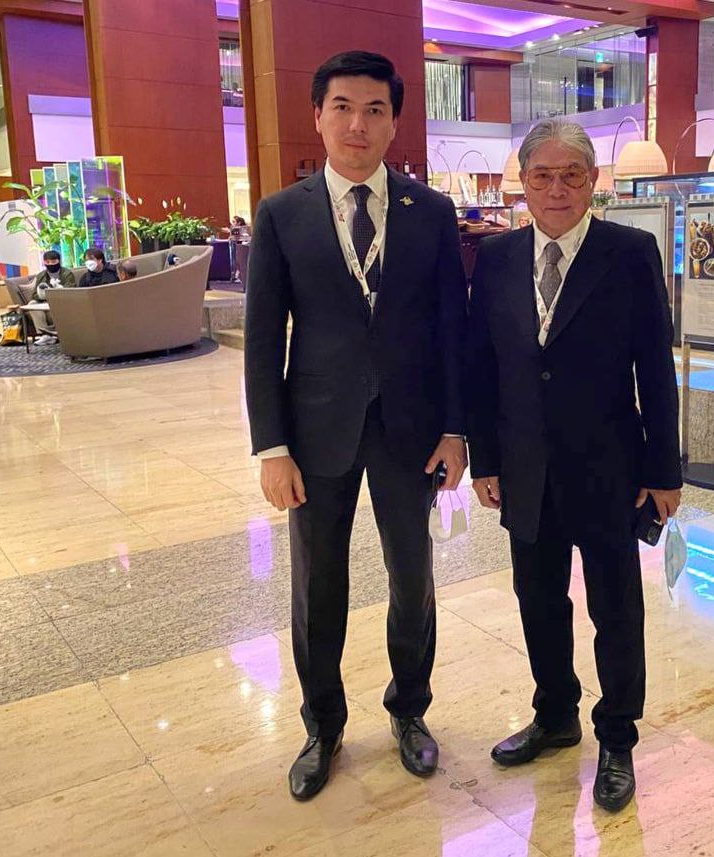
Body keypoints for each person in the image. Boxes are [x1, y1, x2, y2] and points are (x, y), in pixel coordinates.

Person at [243, 50, 467, 802]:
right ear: (318, 115)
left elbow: (452, 330)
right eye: (342, 107)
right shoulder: (281, 215)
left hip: (412, 428)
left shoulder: (430, 213)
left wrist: (456, 428)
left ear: (394, 122)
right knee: (318, 585)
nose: (357, 124)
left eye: (375, 110)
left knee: (413, 576)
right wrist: (272, 447)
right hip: (315, 431)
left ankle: (409, 709)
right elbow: (263, 339)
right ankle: (323, 726)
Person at [465, 118, 682, 813]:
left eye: (571, 175)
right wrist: (485, 459)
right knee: (538, 599)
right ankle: (555, 714)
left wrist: (664, 469)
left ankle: (617, 736)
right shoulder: (497, 258)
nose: (556, 189)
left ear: (592, 183)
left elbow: (655, 368)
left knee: (615, 607)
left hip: (608, 465)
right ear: (523, 185)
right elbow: (481, 367)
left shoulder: (629, 253)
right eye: (543, 176)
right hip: (525, 467)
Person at [30, 249, 75, 345]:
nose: (50, 264)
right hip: (44, 302)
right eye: (47, 262)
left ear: (59, 261)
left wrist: (56, 290)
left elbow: (71, 290)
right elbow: (34, 295)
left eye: (53, 261)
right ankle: (45, 335)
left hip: (61, 302)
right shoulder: (41, 275)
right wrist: (42, 294)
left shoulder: (67, 273)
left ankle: (51, 335)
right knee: (32, 304)